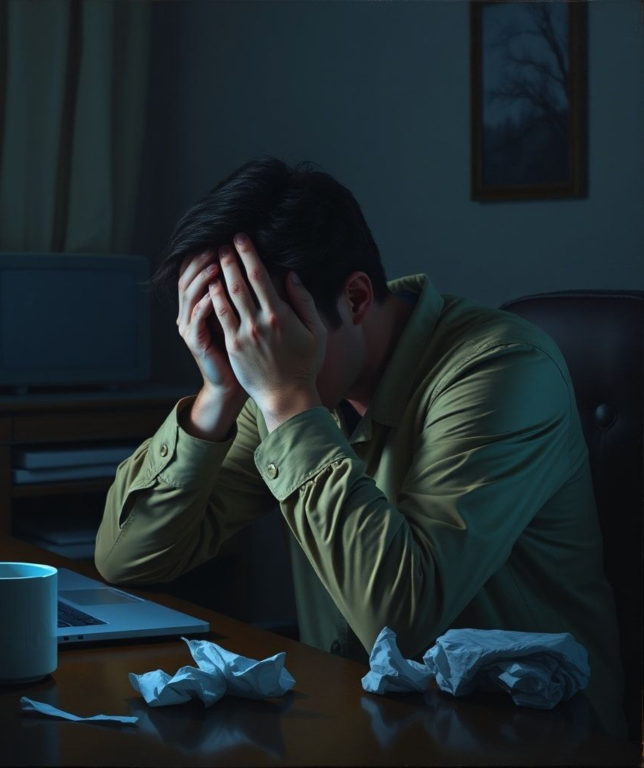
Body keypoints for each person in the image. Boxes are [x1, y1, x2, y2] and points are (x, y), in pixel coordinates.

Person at [94, 156, 625, 738]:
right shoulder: (273, 382)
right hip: (365, 722)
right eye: (234, 334)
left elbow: (398, 619)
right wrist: (215, 394)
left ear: (355, 298)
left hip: (528, 735)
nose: (252, 361)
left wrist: (286, 398)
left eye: (262, 333)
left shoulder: (504, 369)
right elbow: (128, 559)